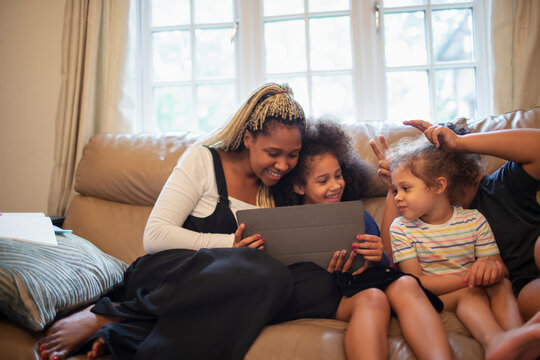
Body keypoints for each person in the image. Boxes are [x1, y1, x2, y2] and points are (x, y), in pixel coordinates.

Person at [38, 83, 340, 360]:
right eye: (273, 153)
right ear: (248, 138)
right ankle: (112, 313)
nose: (283, 165)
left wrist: (389, 187)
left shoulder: (281, 186)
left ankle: (133, 331)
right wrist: (229, 245)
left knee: (316, 284)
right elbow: (154, 236)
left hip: (242, 285)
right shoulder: (203, 160)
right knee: (261, 271)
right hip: (168, 276)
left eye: (293, 155)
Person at [274, 119, 453, 360]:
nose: (336, 185)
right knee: (374, 296)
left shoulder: (359, 216)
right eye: (322, 180)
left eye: (338, 175)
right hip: (320, 292)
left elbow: (386, 265)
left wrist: (378, 254)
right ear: (298, 186)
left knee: (404, 284)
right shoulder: (284, 224)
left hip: (358, 287)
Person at [384, 133, 540, 360]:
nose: (398, 197)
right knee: (470, 294)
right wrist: (470, 277)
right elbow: (416, 281)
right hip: (444, 294)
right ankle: (494, 340)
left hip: (479, 286)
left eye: (405, 188)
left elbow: (499, 267)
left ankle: (517, 338)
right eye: (396, 189)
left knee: (502, 284)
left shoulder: (474, 219)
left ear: (439, 185)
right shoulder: (401, 227)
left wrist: (490, 270)